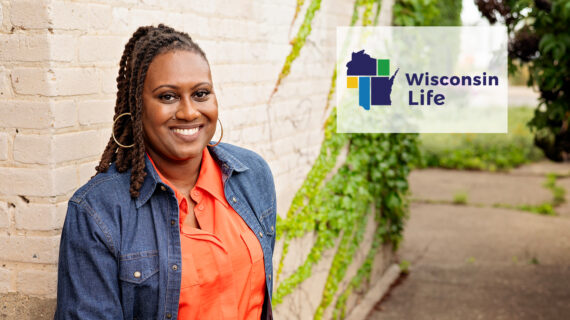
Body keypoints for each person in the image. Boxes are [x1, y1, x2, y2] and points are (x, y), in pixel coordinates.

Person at [54, 24, 276, 320]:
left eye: (200, 93)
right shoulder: (99, 212)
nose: (188, 112)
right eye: (168, 97)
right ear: (137, 107)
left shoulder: (252, 175)